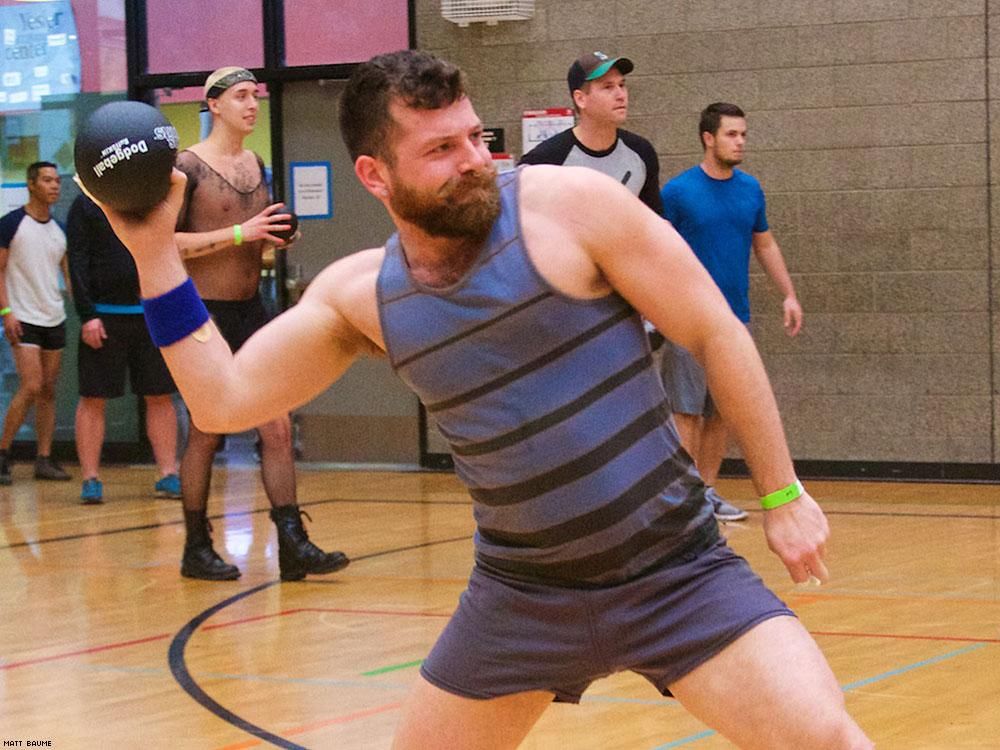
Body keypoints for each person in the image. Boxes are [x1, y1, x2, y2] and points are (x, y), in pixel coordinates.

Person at [99, 51, 871, 749]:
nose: (474, 162)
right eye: (441, 149)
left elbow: (715, 329)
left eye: (475, 138)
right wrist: (153, 255)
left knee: (830, 742)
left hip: (676, 572)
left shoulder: (572, 207)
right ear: (375, 175)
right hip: (522, 599)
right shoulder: (362, 296)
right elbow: (223, 402)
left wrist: (781, 491)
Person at [171, 66, 348, 581]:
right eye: (242, 96)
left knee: (276, 424)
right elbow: (165, 246)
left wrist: (273, 238)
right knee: (207, 430)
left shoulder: (255, 160)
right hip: (203, 313)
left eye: (256, 95)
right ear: (215, 104)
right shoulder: (187, 166)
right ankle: (195, 546)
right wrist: (239, 233)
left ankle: (292, 542)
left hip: (252, 308)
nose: (253, 104)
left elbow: (253, 237)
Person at [660, 102, 804, 523]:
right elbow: (658, 251)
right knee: (686, 409)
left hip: (734, 320)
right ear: (709, 138)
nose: (740, 142)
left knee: (720, 411)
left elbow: (765, 244)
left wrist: (789, 294)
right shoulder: (678, 192)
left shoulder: (750, 189)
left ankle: (705, 492)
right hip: (687, 318)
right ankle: (682, 496)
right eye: (731, 134)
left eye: (743, 134)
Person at [66, 192, 182, 505]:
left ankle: (168, 474)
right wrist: (88, 315)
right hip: (103, 317)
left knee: (160, 394)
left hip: (151, 314)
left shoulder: (149, 199)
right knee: (94, 397)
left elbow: (169, 252)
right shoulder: (86, 205)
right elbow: (76, 260)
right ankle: (91, 478)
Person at [520, 51, 662, 215]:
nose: (621, 95)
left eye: (622, 85)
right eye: (608, 87)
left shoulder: (642, 152)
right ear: (581, 99)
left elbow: (654, 222)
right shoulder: (545, 160)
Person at [0, 161, 72, 485]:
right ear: (31, 184)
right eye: (47, 180)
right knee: (31, 385)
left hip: (53, 318)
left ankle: (44, 459)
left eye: (56, 180)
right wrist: (6, 313)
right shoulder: (10, 224)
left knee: (47, 390)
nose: (54, 186)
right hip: (22, 317)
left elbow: (69, 279)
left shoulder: (59, 232)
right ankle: (3, 454)